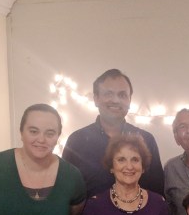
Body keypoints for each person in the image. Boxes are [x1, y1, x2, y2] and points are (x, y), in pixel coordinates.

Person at [63, 68, 164, 197]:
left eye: (122, 95)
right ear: (96, 99)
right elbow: (66, 192)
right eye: (108, 94)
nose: (115, 100)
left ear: (129, 100)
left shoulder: (146, 139)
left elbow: (157, 192)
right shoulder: (76, 141)